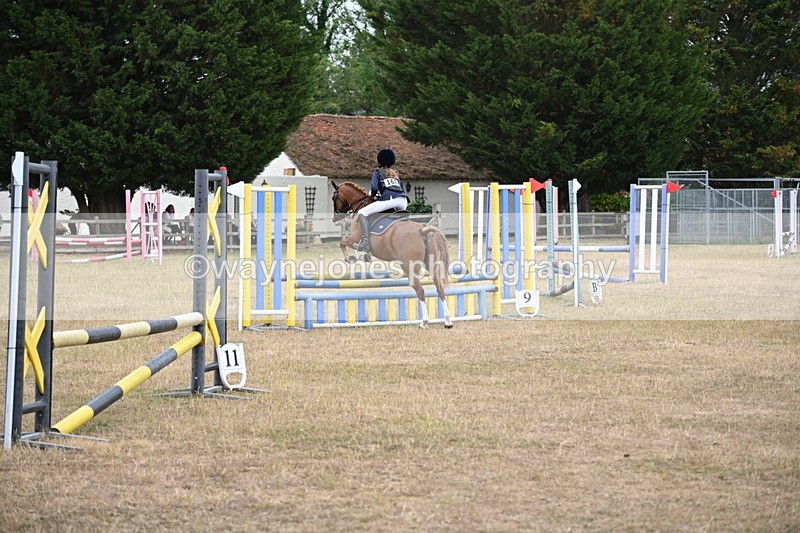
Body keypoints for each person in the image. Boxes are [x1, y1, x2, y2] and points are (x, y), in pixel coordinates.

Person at [354, 148, 409, 251]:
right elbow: (401, 188)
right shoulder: (396, 174)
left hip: (390, 200)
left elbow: (374, 188)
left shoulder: (378, 172)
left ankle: (365, 242)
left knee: (362, 212)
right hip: (403, 201)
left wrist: (373, 196)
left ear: (379, 161)